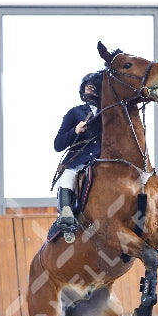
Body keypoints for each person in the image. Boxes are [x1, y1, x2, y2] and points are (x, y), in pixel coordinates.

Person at [52, 71, 103, 241]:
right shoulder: (75, 113)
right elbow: (58, 144)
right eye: (87, 85)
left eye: (94, 86)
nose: (90, 87)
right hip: (78, 163)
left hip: (101, 163)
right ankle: (66, 218)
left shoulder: (109, 114)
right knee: (67, 177)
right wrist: (75, 131)